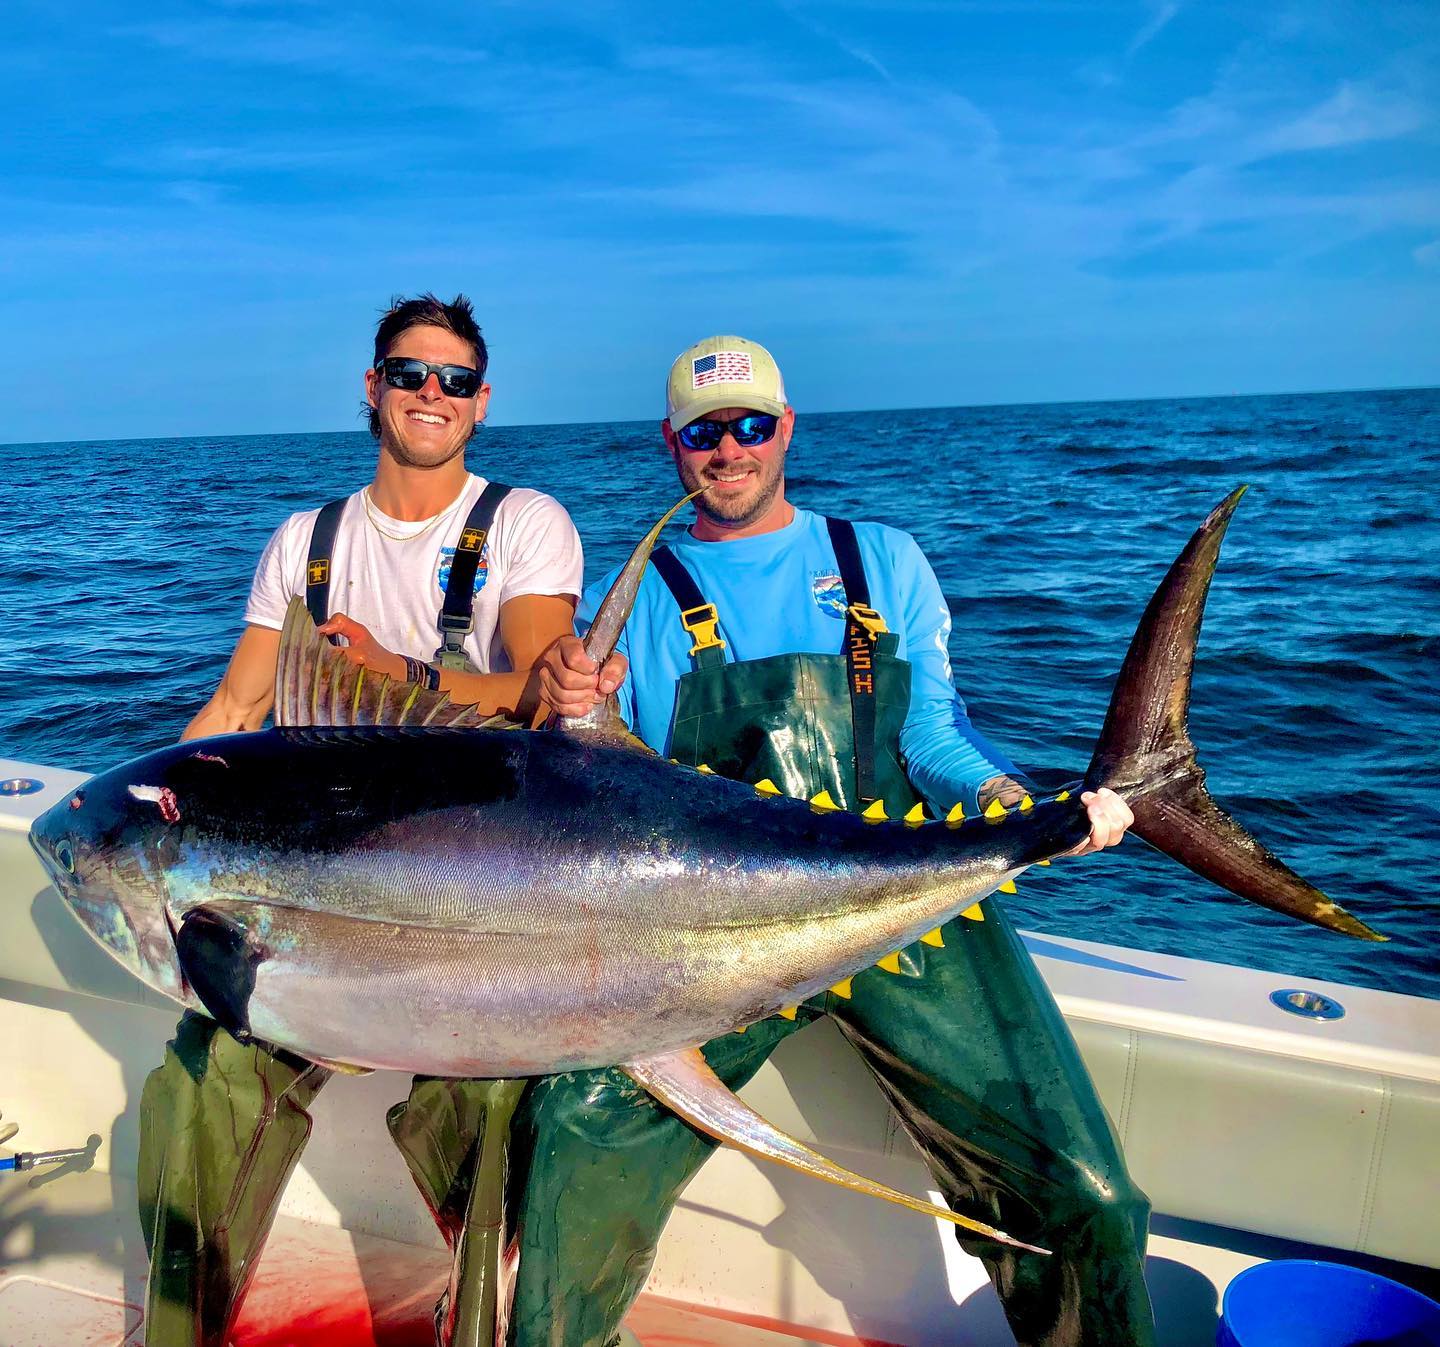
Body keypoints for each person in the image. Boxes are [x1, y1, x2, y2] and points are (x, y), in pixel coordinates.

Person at [527, 335, 1148, 1347]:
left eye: (750, 427)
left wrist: (1003, 796)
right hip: (708, 935)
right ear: (671, 445)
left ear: (787, 429)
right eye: (703, 432)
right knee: (572, 1142)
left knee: (1089, 1199)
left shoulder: (880, 558)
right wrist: (567, 710)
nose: (729, 450)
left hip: (905, 919)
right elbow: (609, 784)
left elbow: (931, 735)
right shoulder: (639, 595)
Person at [139, 294, 582, 1347]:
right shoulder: (305, 540)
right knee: (207, 1075)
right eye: (409, 372)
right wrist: (141, 797)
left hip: (476, 889)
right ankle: (177, 1331)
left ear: (481, 406)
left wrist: (405, 673)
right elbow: (239, 709)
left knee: (480, 1097)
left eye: (455, 380)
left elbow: (535, 688)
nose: (432, 393)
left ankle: (479, 1309)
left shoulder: (524, 521)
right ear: (371, 386)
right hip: (315, 889)